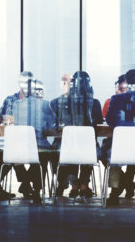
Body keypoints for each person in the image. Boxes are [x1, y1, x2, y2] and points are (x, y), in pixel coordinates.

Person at [102, 69, 135, 206]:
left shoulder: (116, 99)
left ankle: (114, 193)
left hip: (121, 147)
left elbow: (110, 120)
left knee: (114, 154)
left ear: (127, 83)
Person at [50, 71, 103, 200]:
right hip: (88, 150)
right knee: (87, 147)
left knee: (65, 149)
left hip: (66, 148)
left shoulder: (57, 102)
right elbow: (100, 122)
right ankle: (84, 184)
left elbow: (53, 125)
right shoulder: (95, 103)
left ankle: (72, 184)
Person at [10, 79, 56, 203]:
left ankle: (25, 183)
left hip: (19, 147)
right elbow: (51, 125)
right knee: (43, 155)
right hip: (39, 146)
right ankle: (36, 189)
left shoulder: (16, 104)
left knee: (20, 156)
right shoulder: (46, 105)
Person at [0, 71, 35, 198]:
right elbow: (5, 118)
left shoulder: (36, 101)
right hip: (14, 140)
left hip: (32, 141)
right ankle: (26, 183)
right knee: (14, 151)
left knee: (43, 155)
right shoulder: (10, 100)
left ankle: (25, 184)